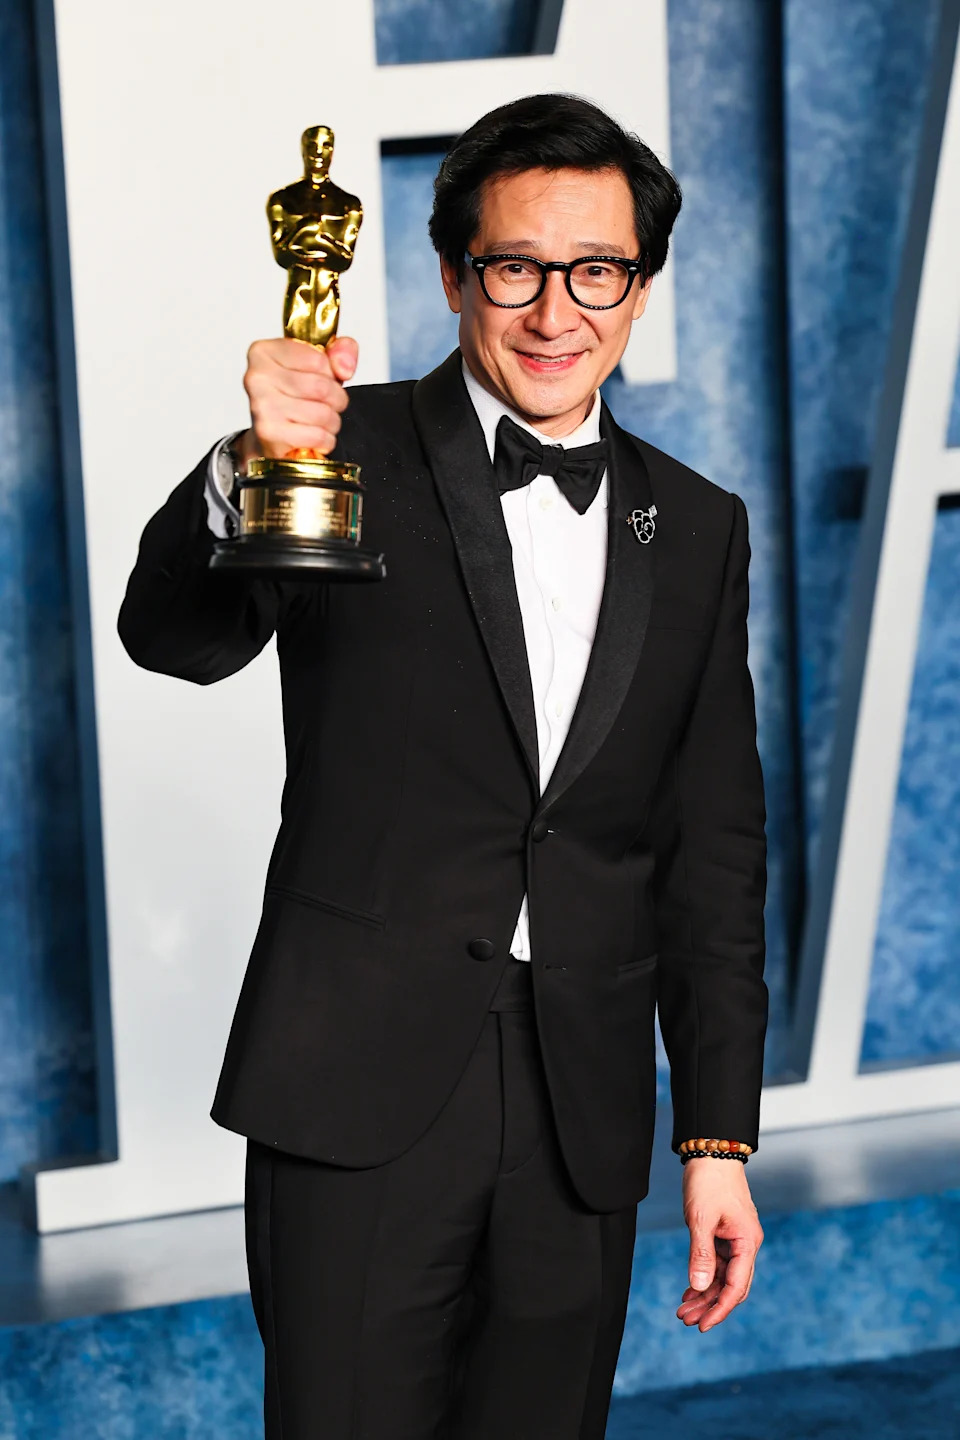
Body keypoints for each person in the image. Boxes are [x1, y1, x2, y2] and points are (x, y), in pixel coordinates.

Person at [119, 93, 768, 1440]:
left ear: (641, 288)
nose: (556, 311)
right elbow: (171, 640)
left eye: (597, 272)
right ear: (452, 275)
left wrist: (717, 1139)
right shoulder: (335, 451)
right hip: (353, 1082)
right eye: (514, 268)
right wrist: (247, 467)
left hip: (583, 1104)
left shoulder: (699, 526)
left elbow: (712, 848)